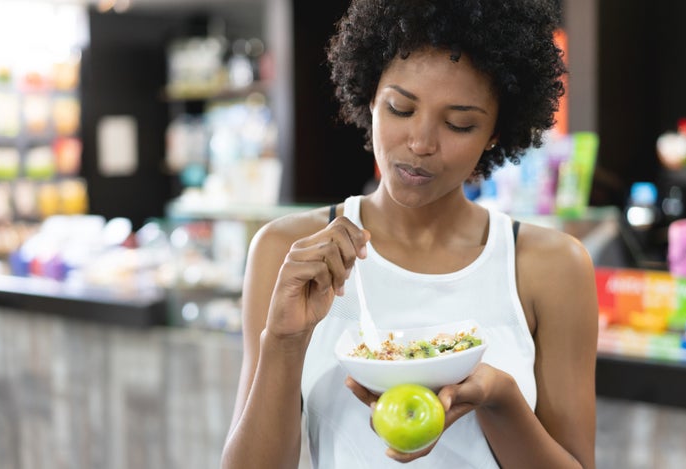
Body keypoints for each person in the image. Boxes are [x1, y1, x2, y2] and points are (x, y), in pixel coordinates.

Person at [221, 0, 598, 467]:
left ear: (497, 131)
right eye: (400, 108)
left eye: (459, 123)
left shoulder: (550, 266)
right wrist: (283, 341)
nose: (420, 144)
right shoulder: (289, 252)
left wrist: (500, 398)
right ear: (370, 97)